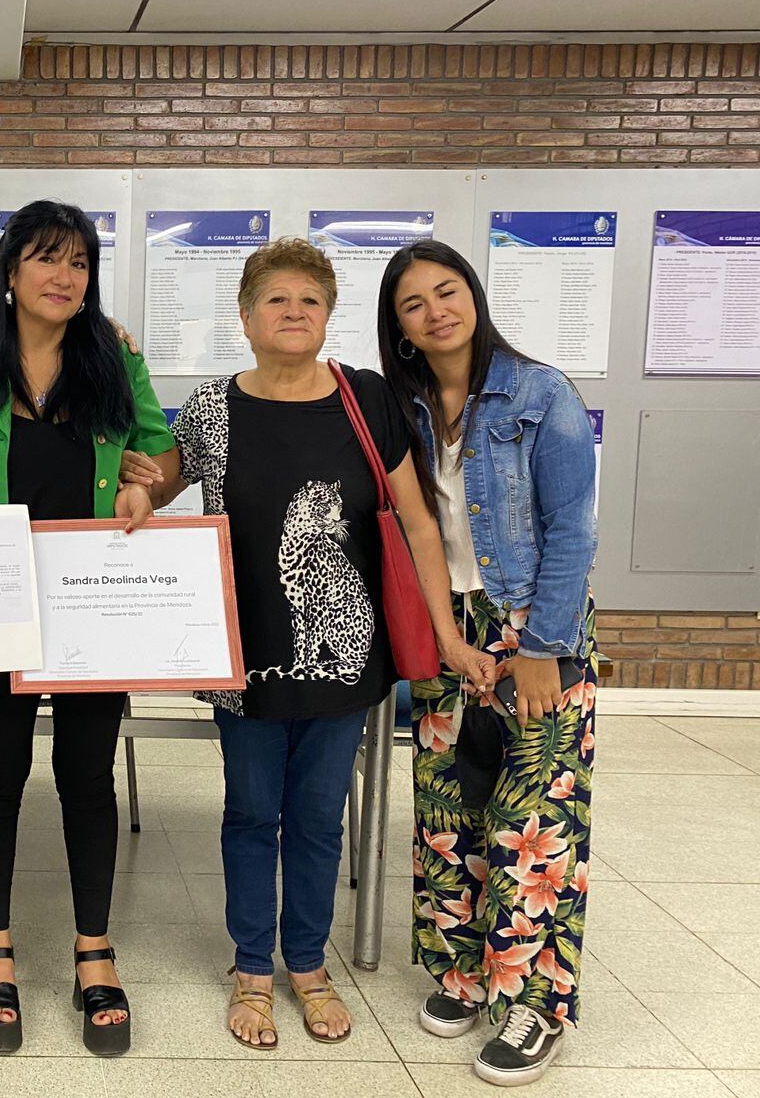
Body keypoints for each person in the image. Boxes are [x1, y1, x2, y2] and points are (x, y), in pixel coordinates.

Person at [154, 237, 495, 1052]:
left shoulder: (366, 398)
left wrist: (445, 632)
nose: (294, 312)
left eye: (310, 299)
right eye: (277, 299)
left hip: (348, 661)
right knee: (248, 813)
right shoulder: (211, 406)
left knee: (316, 818)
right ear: (246, 317)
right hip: (244, 658)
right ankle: (251, 969)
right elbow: (159, 478)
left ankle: (306, 964)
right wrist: (137, 480)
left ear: (329, 315)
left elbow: (414, 519)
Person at [0, 200, 178, 1057]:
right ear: (10, 271)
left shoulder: (115, 359)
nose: (65, 277)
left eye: (80, 263)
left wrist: (146, 490)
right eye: (47, 259)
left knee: (87, 773)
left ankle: (94, 950)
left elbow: (162, 456)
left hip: (92, 595)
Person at [379, 239, 597, 1088]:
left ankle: (535, 1000)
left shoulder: (541, 393)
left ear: (473, 294)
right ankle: (464, 976)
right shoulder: (405, 407)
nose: (437, 310)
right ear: (398, 329)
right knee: (448, 810)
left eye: (448, 289)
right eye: (413, 303)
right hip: (448, 629)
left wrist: (543, 649)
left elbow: (574, 528)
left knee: (533, 817)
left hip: (534, 622)